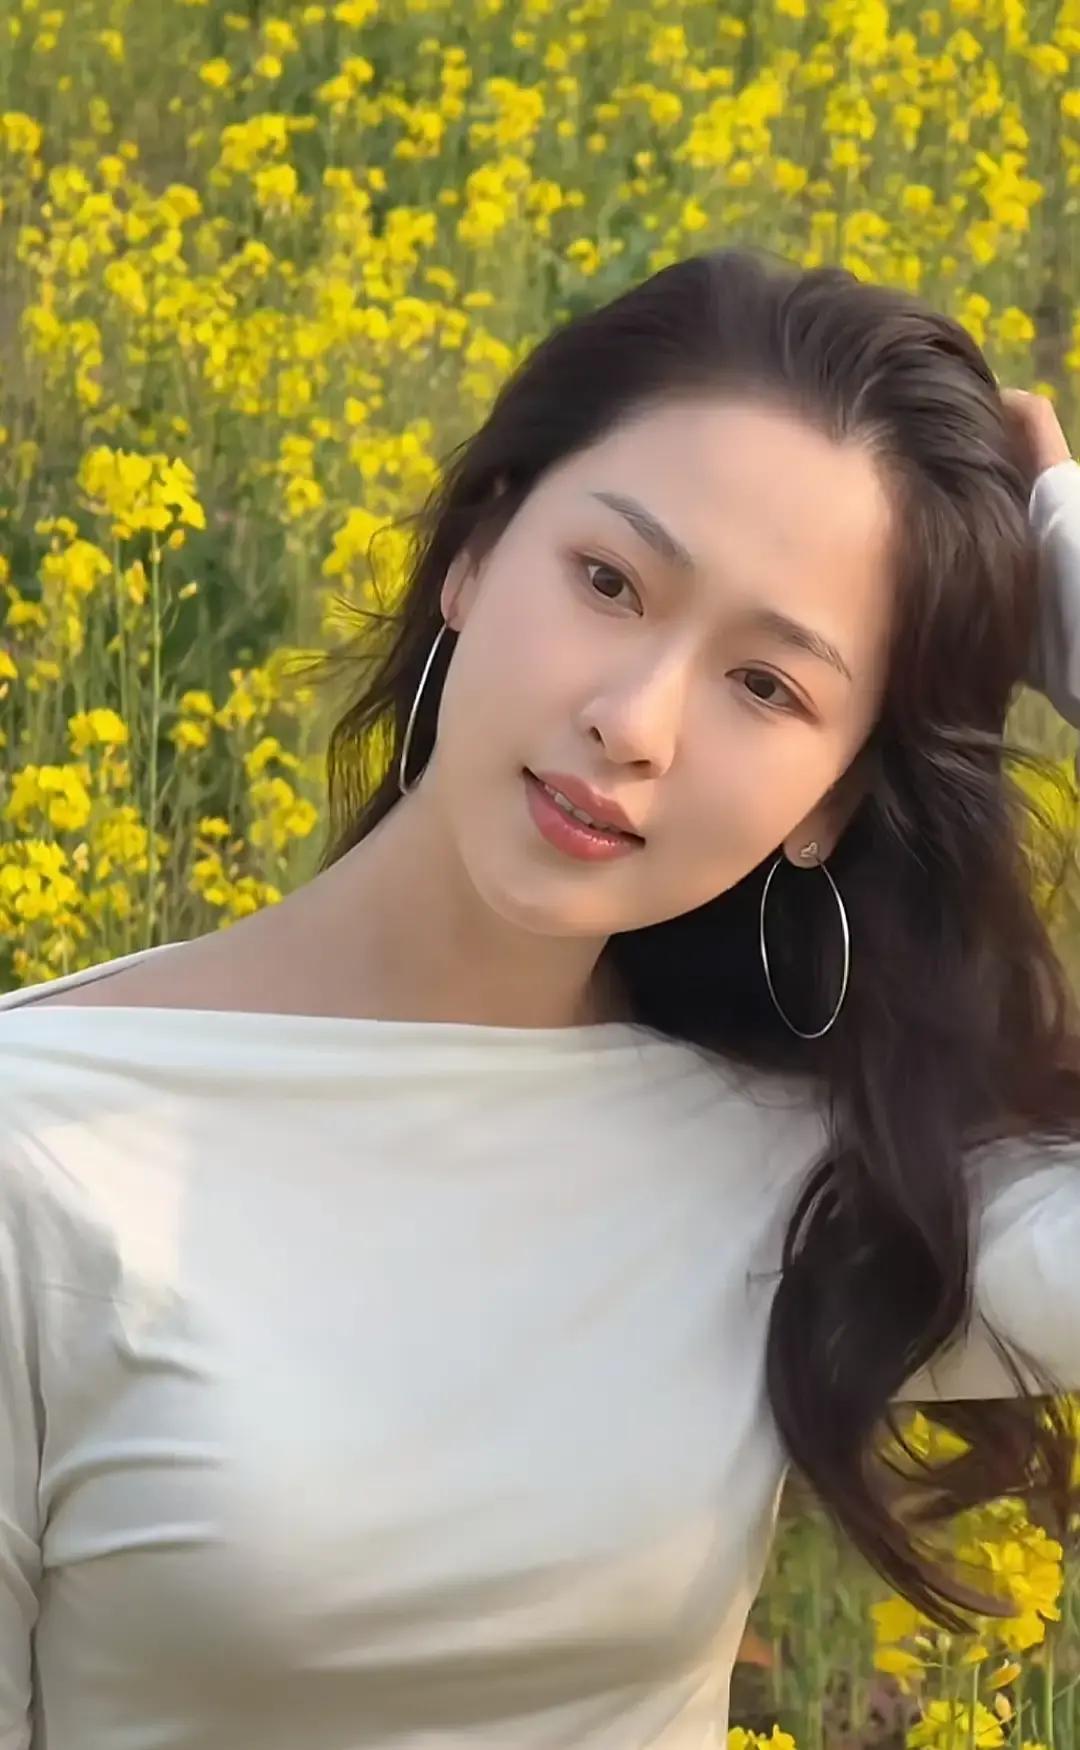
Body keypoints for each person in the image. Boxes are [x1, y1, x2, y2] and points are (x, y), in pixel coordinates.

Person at [2, 244, 1080, 1750]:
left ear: (830, 802)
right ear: (473, 553)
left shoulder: (793, 1163)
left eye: (767, 686)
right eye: (609, 582)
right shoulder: (40, 1152)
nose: (632, 721)